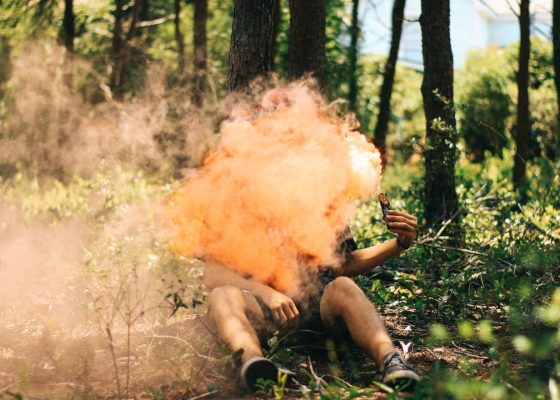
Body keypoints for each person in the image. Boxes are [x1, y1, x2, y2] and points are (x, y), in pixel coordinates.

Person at [205, 209, 421, 392]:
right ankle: (255, 365)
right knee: (223, 294)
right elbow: (213, 274)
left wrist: (399, 244)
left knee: (343, 285)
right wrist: (265, 292)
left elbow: (344, 265)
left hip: (317, 309)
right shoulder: (235, 199)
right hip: (263, 313)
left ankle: (391, 361)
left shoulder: (322, 195)